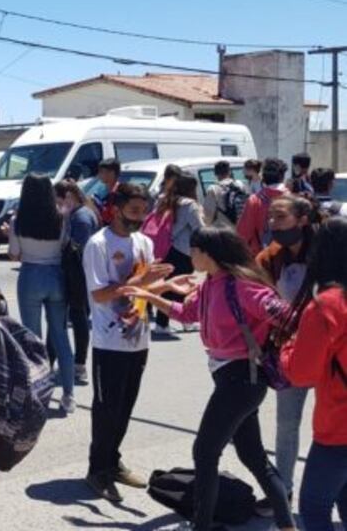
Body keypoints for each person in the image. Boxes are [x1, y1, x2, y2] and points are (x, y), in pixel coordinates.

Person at [126, 227, 295, 531]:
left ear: (208, 254)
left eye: (193, 250)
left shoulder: (242, 286)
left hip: (243, 378)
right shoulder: (210, 284)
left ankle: (201, 526)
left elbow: (285, 316)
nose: (189, 256)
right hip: (229, 379)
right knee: (252, 455)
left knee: (204, 452)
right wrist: (150, 296)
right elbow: (186, 314)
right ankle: (286, 524)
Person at [82, 183, 173, 502]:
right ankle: (97, 470)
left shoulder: (144, 243)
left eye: (143, 210)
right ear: (117, 208)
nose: (139, 216)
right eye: (133, 210)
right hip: (109, 342)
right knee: (106, 409)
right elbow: (100, 294)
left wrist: (172, 286)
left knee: (125, 408)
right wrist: (142, 282)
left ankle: (113, 460)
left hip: (139, 339)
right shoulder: (98, 244)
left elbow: (147, 290)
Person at [280, 216, 347, 531]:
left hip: (338, 427)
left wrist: (286, 346)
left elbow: (301, 374)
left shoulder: (325, 305)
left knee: (314, 507)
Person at [257, 195, 315, 509]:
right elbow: (253, 289)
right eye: (271, 217)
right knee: (286, 424)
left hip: (332, 353)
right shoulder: (270, 257)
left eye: (280, 217)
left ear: (302, 220)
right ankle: (283, 491)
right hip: (292, 351)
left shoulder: (328, 253)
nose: (272, 224)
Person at [9, 173, 75, 414]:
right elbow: (65, 245)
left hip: (30, 275)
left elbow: (14, 254)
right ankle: (68, 395)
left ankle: (38, 393)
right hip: (55, 275)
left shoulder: (19, 220)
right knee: (60, 336)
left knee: (32, 340)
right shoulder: (60, 218)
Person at [55, 179, 98, 385]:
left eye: (58, 201)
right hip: (76, 275)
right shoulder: (79, 214)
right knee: (71, 317)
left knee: (77, 317)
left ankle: (79, 365)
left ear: (68, 198)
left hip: (77, 275)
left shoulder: (81, 218)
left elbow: (77, 249)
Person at [153, 172, 204, 335]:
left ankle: (178, 321)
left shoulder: (165, 200)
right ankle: (166, 323)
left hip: (165, 248)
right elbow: (199, 228)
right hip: (184, 250)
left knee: (169, 285)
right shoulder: (189, 204)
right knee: (182, 285)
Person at [237, 157, 288, 256]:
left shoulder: (254, 200)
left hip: (261, 256)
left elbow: (243, 233)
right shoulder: (292, 197)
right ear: (282, 177)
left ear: (263, 176)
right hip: (287, 256)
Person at [203, 160, 247, 229]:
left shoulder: (213, 189)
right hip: (242, 227)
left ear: (215, 173)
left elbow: (208, 216)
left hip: (225, 231)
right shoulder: (240, 184)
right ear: (229, 172)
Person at [94, 158, 121, 226]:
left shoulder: (119, 192)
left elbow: (110, 217)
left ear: (112, 173)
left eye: (102, 172)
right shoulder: (101, 190)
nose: (99, 175)